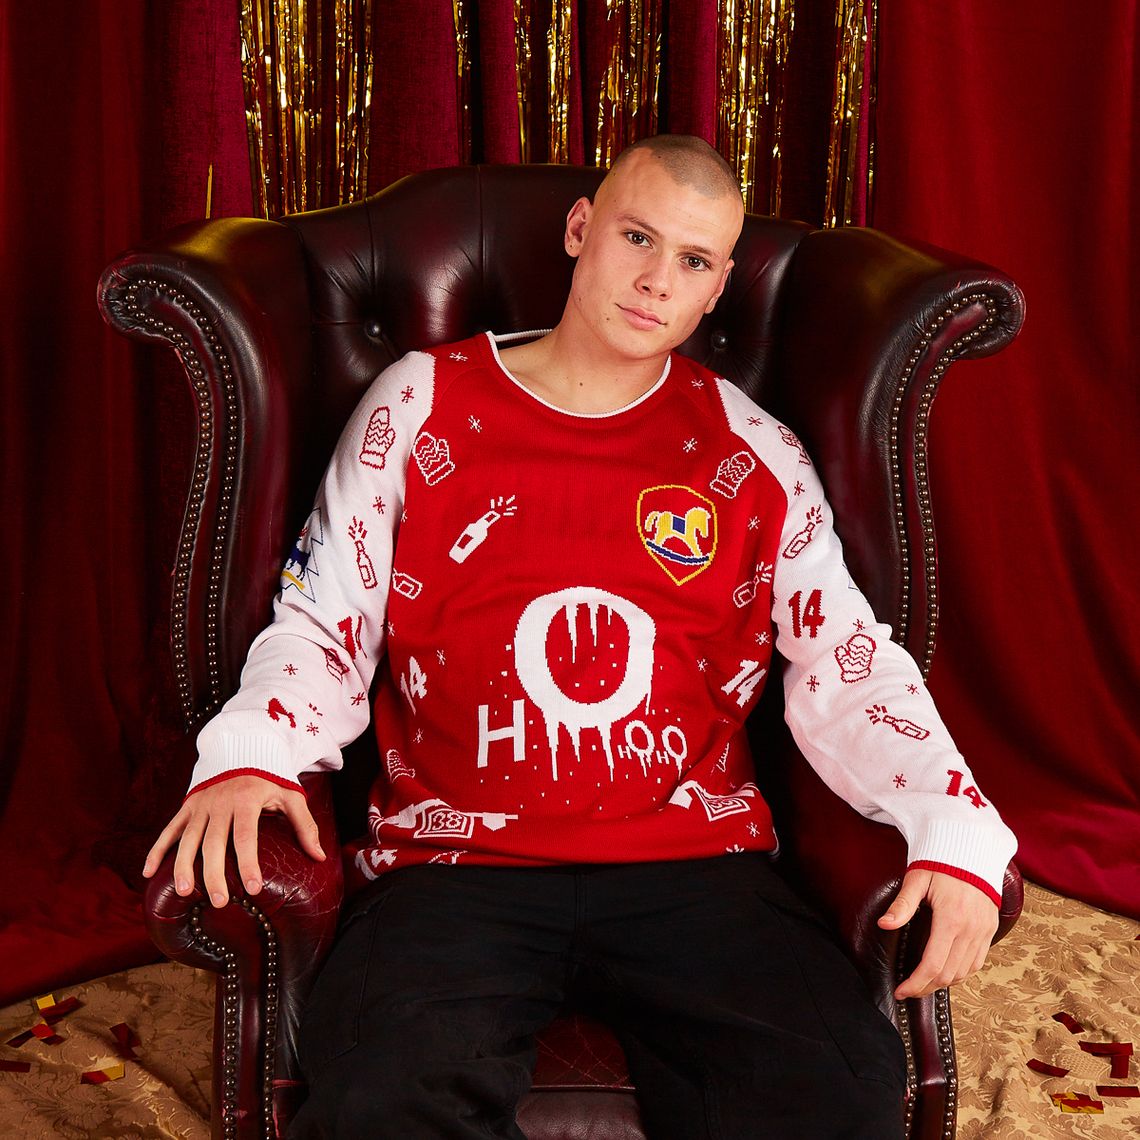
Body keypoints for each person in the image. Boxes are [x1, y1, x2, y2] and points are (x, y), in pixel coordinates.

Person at [144, 134, 1017, 1138]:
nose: (656, 281)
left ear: (718, 286)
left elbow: (846, 659)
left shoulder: (754, 451)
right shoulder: (419, 402)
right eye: (636, 238)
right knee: (383, 1106)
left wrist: (951, 820)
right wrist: (253, 752)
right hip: (454, 868)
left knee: (837, 1091)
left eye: (693, 260)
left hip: (695, 867)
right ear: (579, 229)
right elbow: (323, 616)